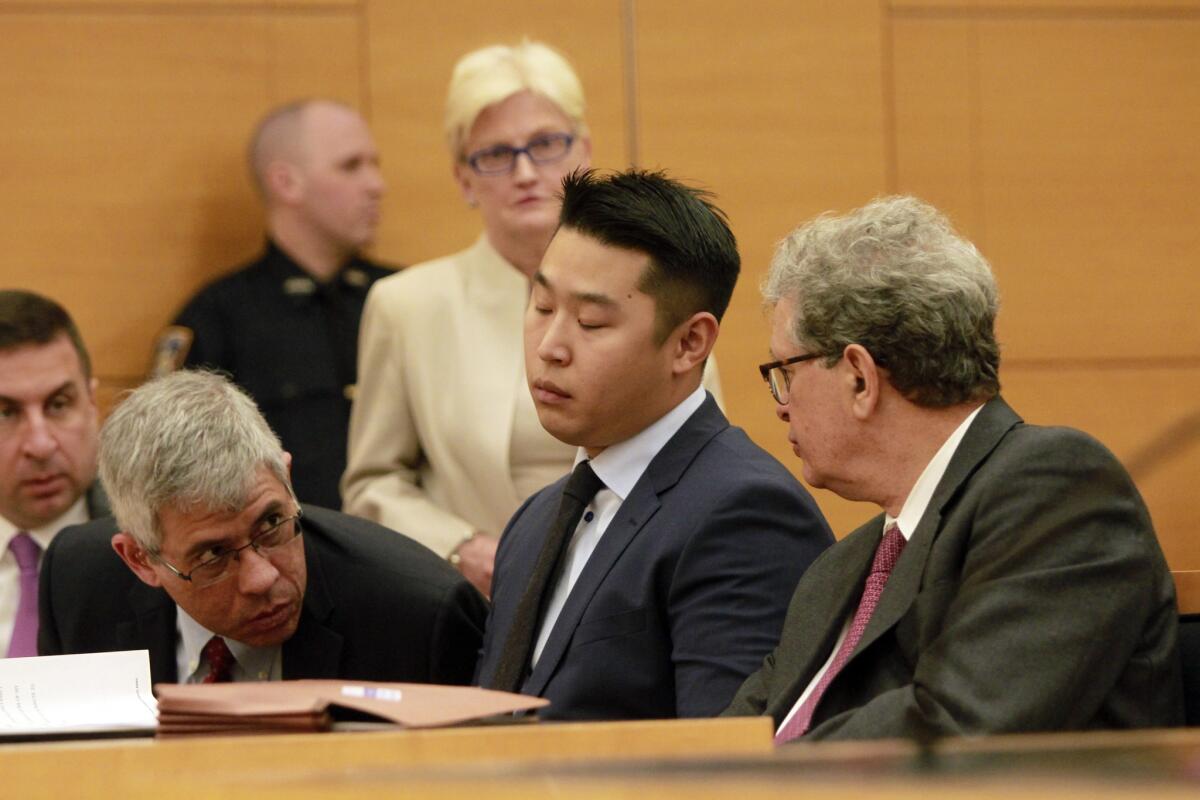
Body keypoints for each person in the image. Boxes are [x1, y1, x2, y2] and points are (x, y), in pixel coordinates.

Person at [724, 195, 1182, 740]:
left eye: (785, 371)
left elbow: (957, 728)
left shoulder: (1061, 494)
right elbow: (727, 738)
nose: (780, 403)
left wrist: (753, 778)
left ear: (859, 378)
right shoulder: (838, 572)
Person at [342, 41, 722, 597]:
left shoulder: (656, 290)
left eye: (545, 144)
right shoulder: (406, 305)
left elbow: (701, 456)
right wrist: (463, 548)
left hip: (631, 593)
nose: (524, 172)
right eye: (494, 154)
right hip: (471, 600)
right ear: (463, 178)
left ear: (584, 151)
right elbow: (374, 484)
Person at [473, 169, 833, 720]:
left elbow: (721, 766)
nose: (549, 346)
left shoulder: (746, 513)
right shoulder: (535, 520)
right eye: (542, 307)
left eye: (591, 322)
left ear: (690, 343)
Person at [38, 370, 487, 686]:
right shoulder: (76, 584)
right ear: (141, 560)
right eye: (212, 555)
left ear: (287, 480)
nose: (263, 577)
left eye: (271, 524)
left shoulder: (420, 620)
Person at [150, 99, 393, 509]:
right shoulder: (218, 318)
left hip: (408, 555)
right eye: (351, 166)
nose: (376, 184)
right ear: (286, 182)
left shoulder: (403, 295)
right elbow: (173, 468)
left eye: (375, 164)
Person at [0, 291, 108, 658]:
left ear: (93, 404)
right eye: (5, 413)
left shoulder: (154, 546)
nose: (41, 445)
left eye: (59, 405)